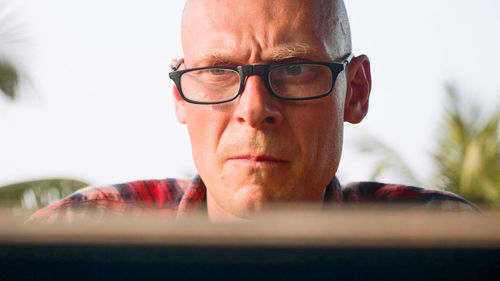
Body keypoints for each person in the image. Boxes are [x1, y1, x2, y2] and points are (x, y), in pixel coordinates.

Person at [29, 0, 478, 223]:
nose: (255, 108)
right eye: (219, 70)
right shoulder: (69, 238)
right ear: (180, 96)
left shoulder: (451, 245)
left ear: (355, 91)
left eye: (296, 68)